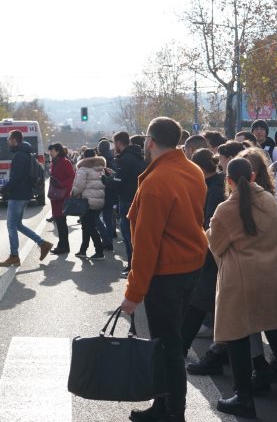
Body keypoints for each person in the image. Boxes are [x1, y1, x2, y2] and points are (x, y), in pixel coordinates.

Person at [120, 117, 208, 422]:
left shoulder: (158, 181)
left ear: (150, 141)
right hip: (189, 266)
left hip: (166, 273)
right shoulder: (192, 169)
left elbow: (146, 244)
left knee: (168, 348)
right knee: (166, 345)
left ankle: (173, 414)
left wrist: (133, 292)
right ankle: (163, 407)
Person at [208, 157, 277, 419]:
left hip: (239, 281)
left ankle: (243, 397)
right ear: (253, 177)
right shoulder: (268, 201)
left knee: (238, 339)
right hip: (273, 277)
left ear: (228, 180)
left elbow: (216, 246)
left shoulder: (224, 210)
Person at [180, 148, 226, 353]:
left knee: (199, 301)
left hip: (211, 250)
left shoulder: (213, 187)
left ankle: (181, 347)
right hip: (213, 250)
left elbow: (208, 221)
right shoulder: (213, 183)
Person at [0, 130, 53, 267]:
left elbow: (16, 178)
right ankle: (42, 243)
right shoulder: (26, 153)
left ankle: (14, 256)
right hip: (24, 194)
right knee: (18, 224)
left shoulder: (19, 156)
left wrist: (3, 189)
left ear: (14, 140)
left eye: (9, 139)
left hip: (17, 195)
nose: (7, 141)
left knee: (11, 225)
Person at [112, 131, 147, 275]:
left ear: (119, 143)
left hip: (126, 200)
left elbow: (119, 182)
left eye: (115, 144)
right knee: (136, 236)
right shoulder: (140, 156)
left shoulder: (125, 159)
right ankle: (136, 265)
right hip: (138, 198)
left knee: (128, 235)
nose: (114, 147)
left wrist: (107, 180)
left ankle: (133, 267)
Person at [71, 148, 106, 260]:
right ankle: (83, 250)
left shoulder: (83, 168)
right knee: (87, 226)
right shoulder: (101, 168)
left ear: (84, 157)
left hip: (87, 202)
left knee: (89, 227)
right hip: (99, 200)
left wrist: (73, 193)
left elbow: (79, 186)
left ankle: (99, 251)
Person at [47, 143, 76, 255]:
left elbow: (72, 176)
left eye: (52, 150)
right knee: (59, 222)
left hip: (62, 196)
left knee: (61, 222)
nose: (50, 153)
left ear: (58, 151)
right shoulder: (54, 162)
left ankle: (63, 246)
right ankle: (63, 245)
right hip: (55, 195)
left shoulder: (65, 162)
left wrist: (62, 184)